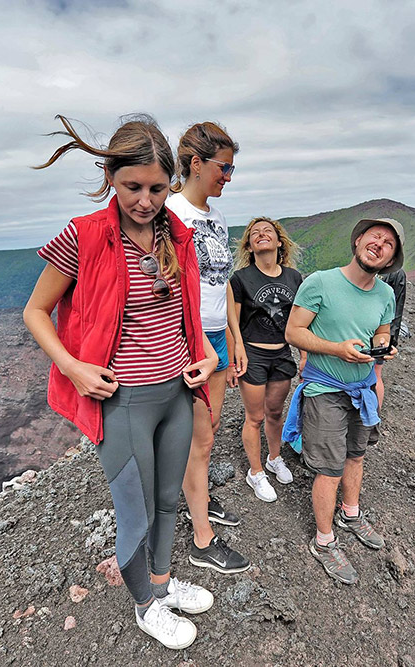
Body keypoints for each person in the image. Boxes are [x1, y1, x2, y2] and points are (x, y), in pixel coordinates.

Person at [23, 114, 217, 650]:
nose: (145, 200)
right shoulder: (83, 236)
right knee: (136, 508)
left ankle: (161, 582)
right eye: (133, 186)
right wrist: (72, 366)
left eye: (158, 188)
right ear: (110, 175)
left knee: (167, 500)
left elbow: (184, 315)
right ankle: (145, 608)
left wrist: (203, 355)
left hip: (176, 391)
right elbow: (36, 311)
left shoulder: (177, 235)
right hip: (123, 398)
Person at [283, 218, 404, 584]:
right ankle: (323, 541)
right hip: (325, 389)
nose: (380, 245)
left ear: (390, 260)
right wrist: (337, 349)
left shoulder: (385, 294)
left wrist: (383, 346)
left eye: (389, 244)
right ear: (357, 241)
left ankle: (350, 514)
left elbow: (381, 329)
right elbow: (293, 331)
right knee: (329, 467)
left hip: (362, 389)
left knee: (357, 454)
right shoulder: (321, 282)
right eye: (375, 237)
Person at [166, 122, 250, 575]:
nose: (229, 178)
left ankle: (198, 494)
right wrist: (201, 343)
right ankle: (202, 540)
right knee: (198, 439)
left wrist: (234, 339)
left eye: (233, 168)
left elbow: (224, 288)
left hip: (217, 336)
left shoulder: (213, 217)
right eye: (224, 167)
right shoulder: (171, 212)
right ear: (196, 164)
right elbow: (170, 288)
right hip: (188, 340)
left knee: (210, 431)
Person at [227, 216, 304, 502]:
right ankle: (256, 472)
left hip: (282, 354)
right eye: (255, 233)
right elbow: (231, 321)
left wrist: (305, 354)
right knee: (255, 417)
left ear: (279, 241)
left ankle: (274, 457)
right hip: (254, 356)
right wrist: (236, 355)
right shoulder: (241, 279)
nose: (261, 234)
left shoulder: (294, 278)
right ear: (248, 244)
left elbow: (301, 320)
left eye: (267, 231)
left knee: (275, 413)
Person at [374, 268, 407, 408]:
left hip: (381, 334)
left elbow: (397, 308)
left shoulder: (396, 274)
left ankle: (373, 418)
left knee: (375, 373)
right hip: (382, 332)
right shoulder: (397, 273)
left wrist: (390, 339)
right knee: (375, 374)